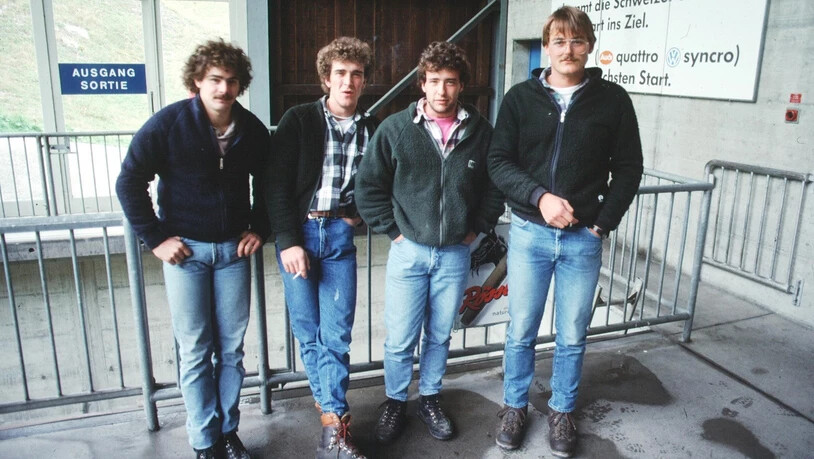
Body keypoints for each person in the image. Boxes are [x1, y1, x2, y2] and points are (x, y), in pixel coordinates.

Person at [487, 6, 644, 457]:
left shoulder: (612, 100)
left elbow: (629, 168)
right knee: (521, 328)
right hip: (531, 235)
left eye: (577, 41)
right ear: (546, 47)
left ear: (589, 46)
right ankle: (514, 405)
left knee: (573, 331)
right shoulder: (520, 98)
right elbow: (499, 160)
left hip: (582, 240)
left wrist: (601, 224)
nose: (568, 49)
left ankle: (561, 410)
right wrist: (539, 197)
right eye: (559, 41)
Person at [116, 39, 269, 459]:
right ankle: (204, 441)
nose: (223, 89)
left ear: (240, 85)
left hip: (233, 255)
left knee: (233, 350)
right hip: (186, 254)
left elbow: (271, 184)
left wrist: (260, 227)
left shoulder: (251, 129)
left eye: (232, 81)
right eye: (215, 80)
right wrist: (156, 237)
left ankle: (228, 431)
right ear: (197, 81)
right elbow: (129, 181)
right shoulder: (168, 124)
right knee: (197, 349)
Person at [356, 41, 504, 444]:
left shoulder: (479, 132)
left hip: (456, 253)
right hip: (409, 252)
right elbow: (368, 187)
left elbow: (494, 186)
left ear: (461, 87)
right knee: (401, 336)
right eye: (434, 81)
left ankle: (431, 397)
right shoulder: (396, 129)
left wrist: (478, 227)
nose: (442, 91)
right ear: (422, 83)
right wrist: (394, 232)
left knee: (439, 334)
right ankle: (394, 401)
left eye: (450, 82)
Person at [264, 36, 376, 459]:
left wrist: (359, 215)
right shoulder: (300, 120)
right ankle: (335, 423)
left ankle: (332, 420)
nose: (348, 82)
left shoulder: (373, 127)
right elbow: (275, 186)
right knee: (308, 331)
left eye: (356, 74)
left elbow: (381, 183)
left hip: (340, 238)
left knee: (337, 333)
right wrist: (288, 241)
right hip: (301, 235)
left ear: (364, 81)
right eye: (340, 73)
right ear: (326, 79)